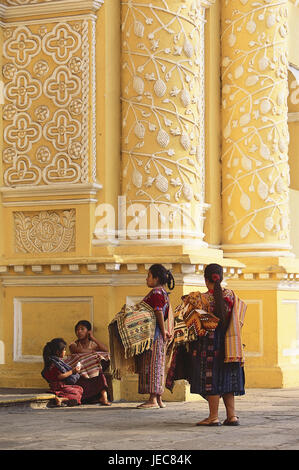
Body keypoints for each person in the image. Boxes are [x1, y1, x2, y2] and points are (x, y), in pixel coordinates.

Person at [188, 263, 246, 426]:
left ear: (206, 280)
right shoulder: (232, 297)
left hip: (209, 344)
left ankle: (213, 417)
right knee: (228, 377)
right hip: (230, 343)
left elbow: (193, 325)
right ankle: (232, 416)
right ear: (221, 277)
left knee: (211, 378)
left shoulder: (200, 299)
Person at [136, 264, 175, 409]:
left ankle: (152, 399)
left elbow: (158, 312)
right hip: (158, 334)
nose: (147, 279)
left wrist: (163, 330)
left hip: (154, 335)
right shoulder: (163, 293)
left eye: (148, 276)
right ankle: (158, 399)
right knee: (158, 364)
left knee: (152, 365)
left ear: (156, 278)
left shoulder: (156, 293)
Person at [68, 320, 111, 406]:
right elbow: (78, 351)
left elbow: (106, 350)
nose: (79, 332)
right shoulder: (74, 344)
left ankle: (104, 397)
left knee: (99, 373)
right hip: (81, 372)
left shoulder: (93, 344)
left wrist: (93, 338)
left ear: (88, 331)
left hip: (93, 370)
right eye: (77, 330)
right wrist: (93, 352)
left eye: (82, 329)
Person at [41, 338, 82, 407]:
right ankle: (62, 399)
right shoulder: (54, 363)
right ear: (58, 352)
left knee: (79, 389)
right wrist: (72, 371)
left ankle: (62, 399)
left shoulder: (56, 362)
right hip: (59, 387)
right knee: (76, 392)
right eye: (64, 350)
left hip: (59, 386)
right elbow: (59, 376)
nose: (65, 351)